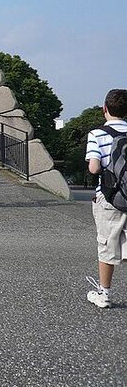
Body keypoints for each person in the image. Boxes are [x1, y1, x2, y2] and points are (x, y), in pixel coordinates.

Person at [85, 88, 127, 309]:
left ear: (105, 108)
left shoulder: (97, 134)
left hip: (109, 197)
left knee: (107, 244)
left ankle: (104, 293)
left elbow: (93, 168)